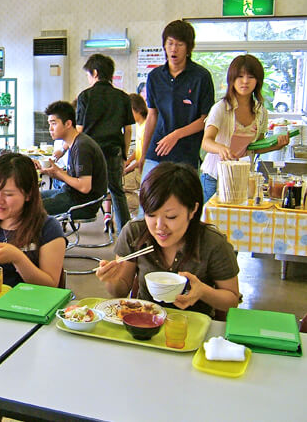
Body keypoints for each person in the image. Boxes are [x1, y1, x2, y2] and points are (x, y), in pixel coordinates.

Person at [95, 162, 240, 317]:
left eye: (171, 217)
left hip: (195, 327)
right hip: (144, 323)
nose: (159, 226)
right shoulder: (134, 232)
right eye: (151, 214)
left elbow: (232, 299)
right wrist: (111, 280)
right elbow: (120, 290)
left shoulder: (213, 243)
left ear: (193, 210)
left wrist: (203, 292)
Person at [0, 153, 66, 287]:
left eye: (8, 194)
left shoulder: (48, 228)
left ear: (28, 194)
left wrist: (18, 258)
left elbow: (51, 286)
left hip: (28, 305)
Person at [200, 54, 290, 203]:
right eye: (240, 76)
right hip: (215, 176)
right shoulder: (221, 107)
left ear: (258, 81)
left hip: (242, 177)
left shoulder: (260, 111)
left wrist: (277, 145)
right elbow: (206, 142)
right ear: (232, 79)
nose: (245, 81)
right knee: (212, 222)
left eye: (251, 77)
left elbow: (256, 147)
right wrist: (221, 148)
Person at [138, 20, 215, 179]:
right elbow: (152, 115)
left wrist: (176, 135)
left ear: (188, 48)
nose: (174, 49)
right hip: (156, 152)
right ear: (164, 46)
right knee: (149, 202)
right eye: (170, 43)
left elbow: (205, 119)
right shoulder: (155, 76)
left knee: (182, 202)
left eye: (179, 44)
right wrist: (143, 154)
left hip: (186, 156)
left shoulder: (201, 77)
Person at [76, 54, 134, 233]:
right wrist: (124, 155)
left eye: (88, 74)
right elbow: (128, 130)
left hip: (90, 154)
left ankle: (78, 223)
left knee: (83, 188)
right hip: (113, 151)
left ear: (95, 73)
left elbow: (79, 130)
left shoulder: (85, 96)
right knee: (117, 192)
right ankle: (125, 233)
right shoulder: (123, 97)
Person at [39, 101, 108, 220]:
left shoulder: (82, 147)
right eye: (49, 124)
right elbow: (76, 179)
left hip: (82, 204)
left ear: (68, 124)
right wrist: (55, 173)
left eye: (54, 123)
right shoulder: (76, 143)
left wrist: (59, 173)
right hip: (70, 194)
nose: (50, 129)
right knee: (28, 198)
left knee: (25, 207)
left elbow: (84, 187)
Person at [122, 93, 149, 212]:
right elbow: (138, 150)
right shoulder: (139, 125)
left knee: (118, 187)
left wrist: (127, 169)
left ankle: (145, 209)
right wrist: (127, 161)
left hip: (143, 169)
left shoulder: (147, 126)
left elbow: (143, 157)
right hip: (137, 167)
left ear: (136, 109)